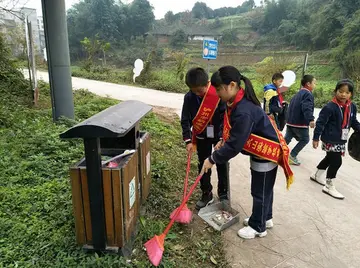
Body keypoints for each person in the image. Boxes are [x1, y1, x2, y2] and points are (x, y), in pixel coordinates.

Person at [201, 66, 293, 240]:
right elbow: (230, 129)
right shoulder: (236, 101)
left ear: (232, 85)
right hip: (261, 152)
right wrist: (222, 139)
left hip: (266, 152)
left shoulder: (243, 110)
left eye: (219, 89)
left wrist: (212, 159)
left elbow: (235, 144)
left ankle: (258, 227)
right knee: (264, 189)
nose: (217, 93)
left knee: (260, 190)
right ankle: (265, 218)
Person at [181, 67, 229, 210]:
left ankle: (223, 194)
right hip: (201, 135)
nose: (197, 93)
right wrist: (188, 140)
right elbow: (185, 120)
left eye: (199, 91)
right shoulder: (189, 97)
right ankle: (206, 193)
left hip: (219, 135)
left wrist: (221, 138)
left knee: (222, 162)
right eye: (193, 90)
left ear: (207, 83)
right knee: (203, 164)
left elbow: (224, 117)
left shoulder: (217, 93)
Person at [311, 79, 360, 199]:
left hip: (341, 139)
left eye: (347, 92)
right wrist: (316, 138)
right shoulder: (330, 107)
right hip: (330, 138)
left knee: (329, 158)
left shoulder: (352, 106)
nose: (343, 94)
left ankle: (317, 175)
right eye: (341, 91)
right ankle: (329, 185)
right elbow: (321, 123)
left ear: (351, 94)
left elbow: (353, 122)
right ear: (336, 91)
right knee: (336, 161)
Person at [285, 75, 317, 165]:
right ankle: (292, 155)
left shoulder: (298, 93)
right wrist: (311, 119)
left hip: (291, 122)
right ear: (308, 84)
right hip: (300, 123)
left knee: (287, 139)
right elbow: (307, 107)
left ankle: (276, 152)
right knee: (305, 139)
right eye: (314, 83)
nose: (315, 85)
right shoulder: (308, 94)